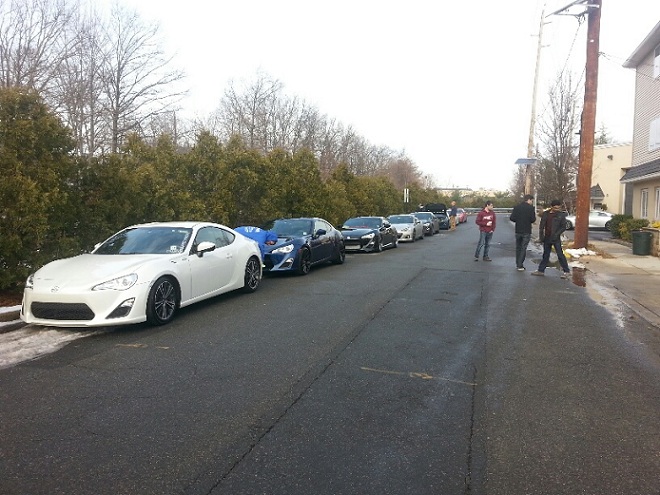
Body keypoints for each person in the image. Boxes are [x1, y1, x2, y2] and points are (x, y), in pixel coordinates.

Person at [531, 199, 571, 279]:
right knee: (546, 254)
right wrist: (541, 237)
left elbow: (563, 227)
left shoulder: (561, 215)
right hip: (547, 237)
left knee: (560, 254)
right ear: (551, 207)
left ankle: (566, 271)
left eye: (558, 208)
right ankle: (541, 270)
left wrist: (556, 234)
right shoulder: (545, 214)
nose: (557, 209)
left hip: (555, 238)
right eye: (555, 208)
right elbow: (541, 226)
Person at [509, 194, 536, 271]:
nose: (532, 202)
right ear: (529, 200)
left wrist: (518, 220)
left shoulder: (517, 207)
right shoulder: (531, 208)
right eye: (531, 201)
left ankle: (517, 263)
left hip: (518, 229)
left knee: (518, 247)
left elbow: (512, 218)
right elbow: (533, 219)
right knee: (523, 248)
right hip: (526, 230)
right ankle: (520, 264)